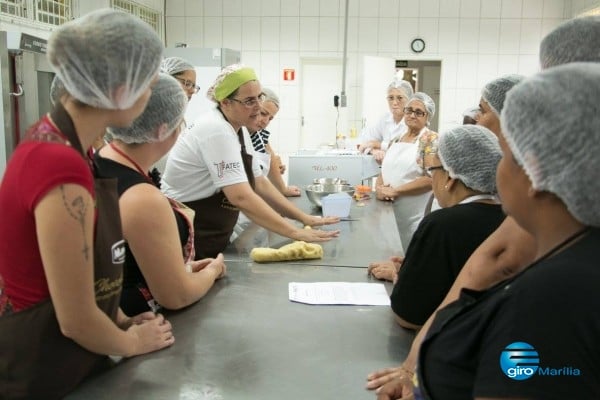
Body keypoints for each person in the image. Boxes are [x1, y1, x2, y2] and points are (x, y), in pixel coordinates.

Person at [370, 16, 600, 397]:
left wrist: (419, 367)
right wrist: (415, 365)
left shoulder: (554, 294)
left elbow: (501, 261)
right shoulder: (564, 259)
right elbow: (495, 256)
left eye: (507, 156)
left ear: (538, 169)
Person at [0, 9, 173, 399]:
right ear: (118, 91)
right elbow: (75, 318)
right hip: (43, 370)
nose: (149, 96)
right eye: (147, 84)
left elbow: (79, 274)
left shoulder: (70, 145)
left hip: (76, 359)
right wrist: (134, 342)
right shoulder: (58, 164)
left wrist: (123, 321)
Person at [161, 64, 340, 259]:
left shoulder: (239, 128)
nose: (258, 107)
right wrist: (295, 232)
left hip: (210, 228)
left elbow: (260, 182)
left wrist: (304, 218)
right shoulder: (215, 130)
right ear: (225, 102)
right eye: (248, 101)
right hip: (187, 229)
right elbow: (241, 196)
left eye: (259, 97)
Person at [95, 73, 226, 315]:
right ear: (162, 130)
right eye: (180, 123)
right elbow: (176, 296)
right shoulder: (141, 197)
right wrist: (213, 270)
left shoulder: (101, 160)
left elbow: (127, 259)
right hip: (133, 318)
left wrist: (179, 270)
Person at [388, 125, 505, 329]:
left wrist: (398, 277)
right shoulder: (512, 221)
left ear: (450, 178)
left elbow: (409, 316)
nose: (431, 179)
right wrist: (415, 266)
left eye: (432, 171)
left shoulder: (442, 225)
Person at [374, 92, 436, 253]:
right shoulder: (397, 138)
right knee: (388, 253)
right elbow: (385, 169)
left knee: (407, 256)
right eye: (409, 110)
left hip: (412, 216)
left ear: (427, 116)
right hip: (388, 211)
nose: (412, 115)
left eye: (418, 112)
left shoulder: (430, 140)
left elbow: (431, 180)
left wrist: (396, 191)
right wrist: (379, 189)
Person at [250, 87, 300, 197]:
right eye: (263, 113)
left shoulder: (259, 133)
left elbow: (271, 157)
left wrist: (283, 189)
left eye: (271, 118)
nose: (265, 121)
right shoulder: (235, 132)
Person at [358, 78, 414, 164]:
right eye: (391, 98)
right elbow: (365, 141)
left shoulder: (413, 122)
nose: (394, 103)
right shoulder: (385, 119)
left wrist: (377, 144)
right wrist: (374, 151)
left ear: (409, 100)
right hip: (385, 169)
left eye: (400, 98)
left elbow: (403, 149)